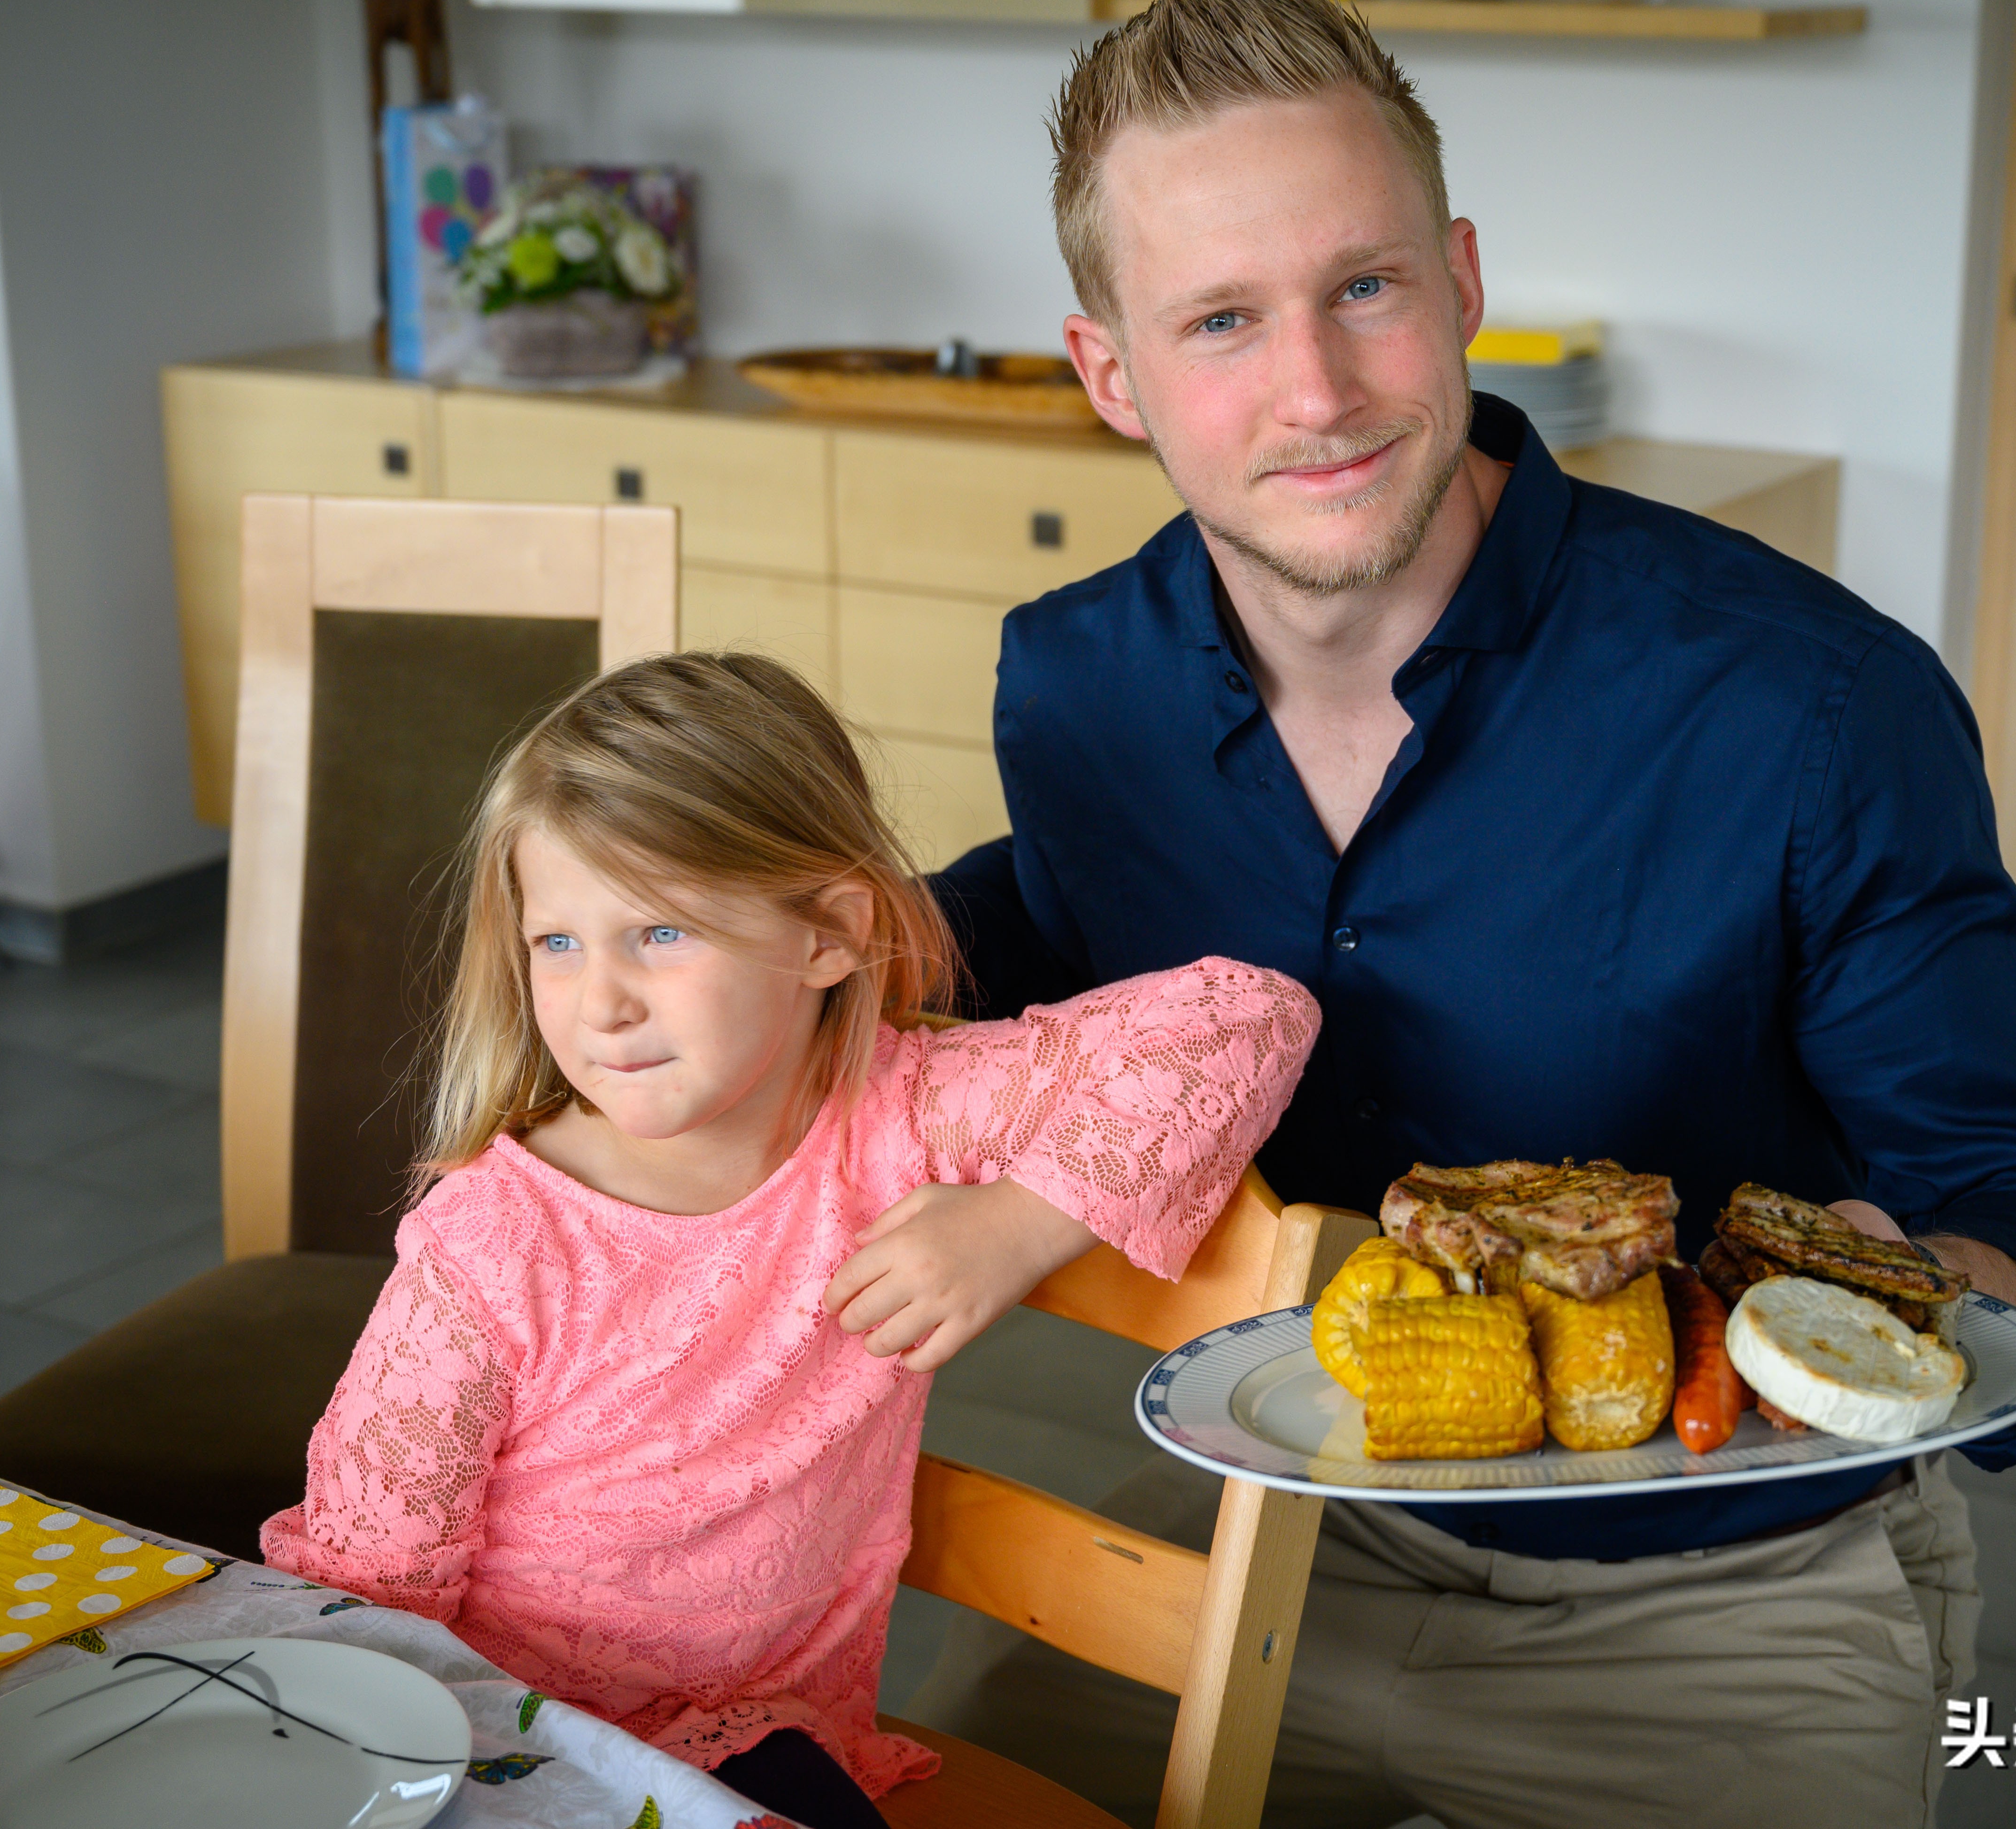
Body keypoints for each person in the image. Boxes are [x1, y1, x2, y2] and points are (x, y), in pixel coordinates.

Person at [911, 0, 2016, 1829]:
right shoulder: (1076, 689)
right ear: (1112, 375)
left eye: (1366, 289)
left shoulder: (1807, 707)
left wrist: (1870, 1313)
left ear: (1464, 280)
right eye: (1223, 322)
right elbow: (1056, 942)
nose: (1319, 392)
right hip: (1294, 1532)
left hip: (1728, 1608)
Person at [261, 651, 1319, 1829]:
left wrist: (1019, 1225)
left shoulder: (897, 1114)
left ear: (827, 936)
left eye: (660, 931)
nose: (601, 1000)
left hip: (757, 1734)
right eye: (558, 941)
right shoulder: (494, 1243)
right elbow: (366, 1581)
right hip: (502, 1736)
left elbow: (1248, 1015)